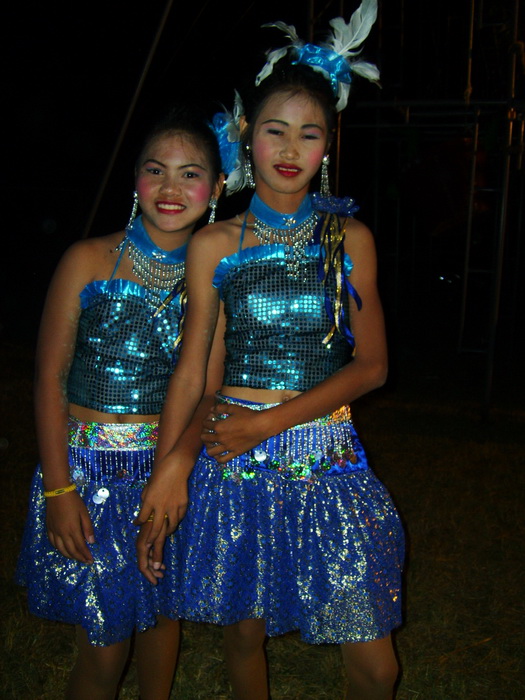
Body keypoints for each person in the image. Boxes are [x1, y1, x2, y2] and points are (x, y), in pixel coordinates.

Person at [138, 2, 404, 697]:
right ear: (246, 139)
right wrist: (171, 465)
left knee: (375, 663)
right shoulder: (214, 243)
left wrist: (268, 423)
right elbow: (196, 372)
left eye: (308, 134)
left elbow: (372, 366)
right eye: (274, 131)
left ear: (326, 148)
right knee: (243, 636)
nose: (289, 149)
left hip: (327, 457)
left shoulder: (349, 239)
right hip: (234, 463)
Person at [15, 105, 224, 700]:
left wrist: (175, 471)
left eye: (189, 174)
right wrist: (60, 489)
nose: (170, 187)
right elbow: (49, 379)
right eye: (156, 170)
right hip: (87, 475)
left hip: (168, 477)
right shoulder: (86, 259)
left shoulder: (217, 280)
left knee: (160, 618)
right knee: (104, 646)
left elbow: (208, 393)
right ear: (135, 179)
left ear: (216, 188)